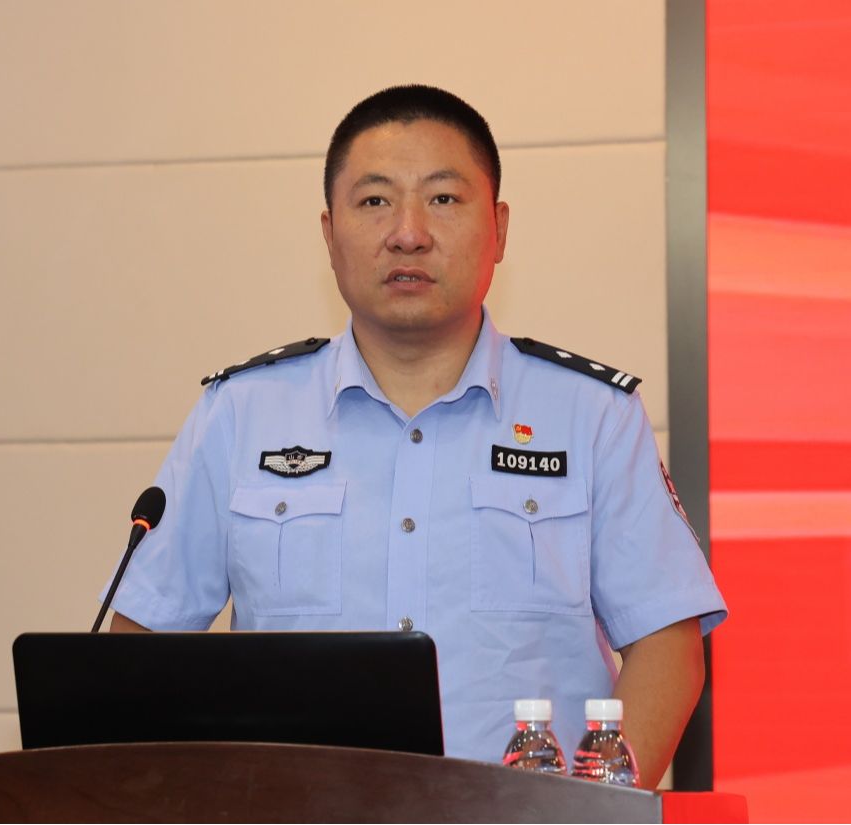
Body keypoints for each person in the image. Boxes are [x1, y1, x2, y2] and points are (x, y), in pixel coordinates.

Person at [103, 84, 726, 788]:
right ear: (329, 234)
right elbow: (141, 648)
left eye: (443, 198)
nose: (408, 233)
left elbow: (667, 646)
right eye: (374, 201)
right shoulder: (240, 414)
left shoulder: (592, 416)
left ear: (499, 229)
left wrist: (587, 813)